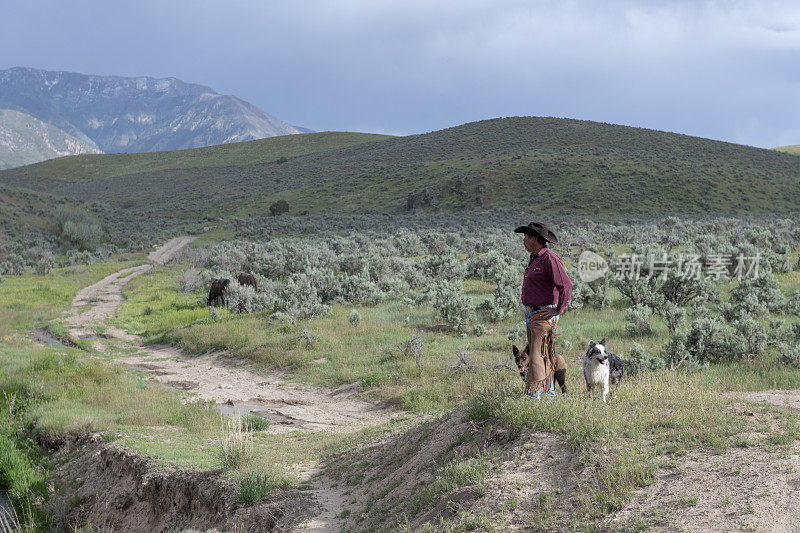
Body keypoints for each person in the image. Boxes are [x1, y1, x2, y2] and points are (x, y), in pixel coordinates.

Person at [514, 221, 572, 400]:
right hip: (533, 313)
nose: (523, 240)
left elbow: (566, 285)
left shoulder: (549, 259)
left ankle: (533, 395)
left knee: (537, 354)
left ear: (534, 239)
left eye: (525, 236)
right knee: (543, 353)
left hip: (543, 313)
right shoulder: (537, 258)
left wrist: (557, 311)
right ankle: (548, 393)